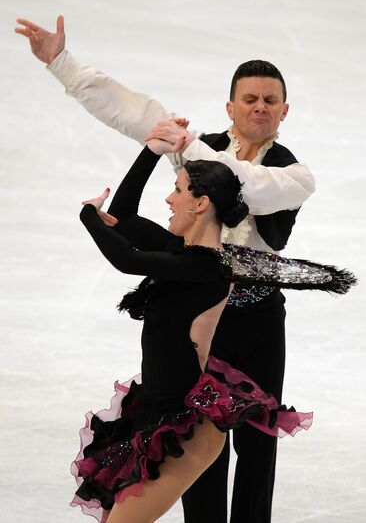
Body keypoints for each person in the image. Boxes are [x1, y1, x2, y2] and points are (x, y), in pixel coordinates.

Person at [15, 16, 316, 523]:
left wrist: (186, 143)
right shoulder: (197, 150)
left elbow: (249, 186)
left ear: (285, 110)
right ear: (231, 107)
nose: (260, 107)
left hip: (258, 322)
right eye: (250, 98)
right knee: (195, 442)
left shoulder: (293, 174)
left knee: (258, 449)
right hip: (203, 314)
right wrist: (63, 64)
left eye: (270, 100)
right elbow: (133, 112)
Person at [73, 126, 353, 523]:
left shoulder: (207, 269)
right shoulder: (182, 250)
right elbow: (124, 218)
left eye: (178, 190)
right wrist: (151, 151)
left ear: (201, 203)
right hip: (155, 415)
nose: (169, 199)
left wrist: (88, 217)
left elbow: (126, 259)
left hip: (183, 431)